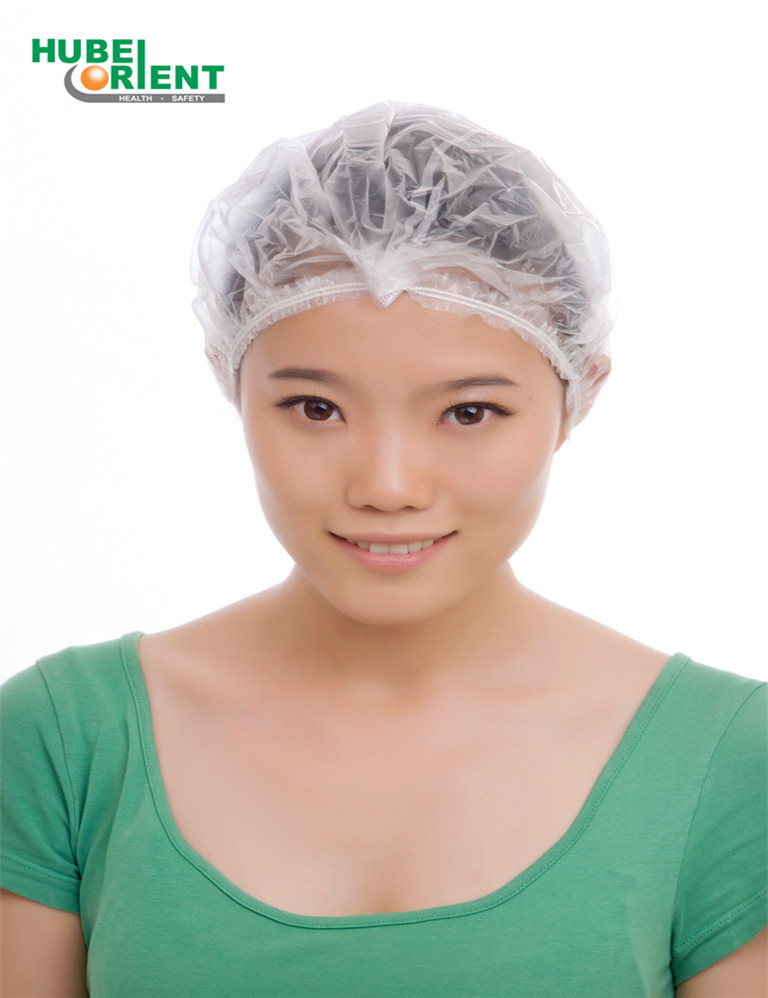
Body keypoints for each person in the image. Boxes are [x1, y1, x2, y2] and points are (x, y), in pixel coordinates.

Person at [1, 102, 765, 998]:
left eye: (469, 411)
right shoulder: (69, 739)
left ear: (576, 397)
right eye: (315, 408)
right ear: (230, 378)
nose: (388, 485)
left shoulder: (725, 758)